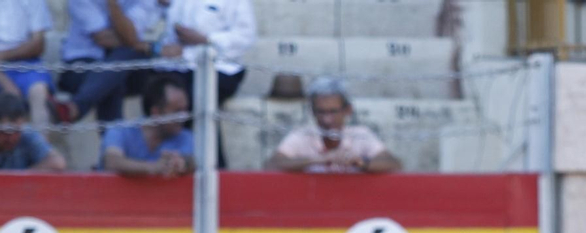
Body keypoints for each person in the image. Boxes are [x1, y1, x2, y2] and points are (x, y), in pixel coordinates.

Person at [153, 0, 256, 167]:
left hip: (220, 66)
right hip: (176, 65)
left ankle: (212, 168)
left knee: (198, 101)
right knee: (159, 97)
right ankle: (157, 163)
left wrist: (206, 39)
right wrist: (163, 47)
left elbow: (246, 37)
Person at [266, 76, 401, 174]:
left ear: (347, 110)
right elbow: (271, 165)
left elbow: (393, 163)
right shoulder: (302, 135)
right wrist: (318, 160)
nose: (327, 120)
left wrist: (359, 162)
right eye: (321, 112)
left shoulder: (360, 134)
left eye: (333, 112)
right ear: (313, 112)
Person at [57, 0, 162, 124]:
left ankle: (76, 107)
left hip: (128, 70)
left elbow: (131, 38)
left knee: (126, 57)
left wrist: (113, 4)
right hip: (80, 68)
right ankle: (114, 142)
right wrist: (138, 43)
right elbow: (104, 39)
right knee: (114, 80)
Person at [101, 75, 194, 177]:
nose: (184, 116)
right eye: (177, 111)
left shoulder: (185, 136)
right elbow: (112, 162)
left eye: (185, 110)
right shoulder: (120, 130)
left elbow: (196, 161)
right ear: (156, 112)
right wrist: (153, 167)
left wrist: (183, 163)